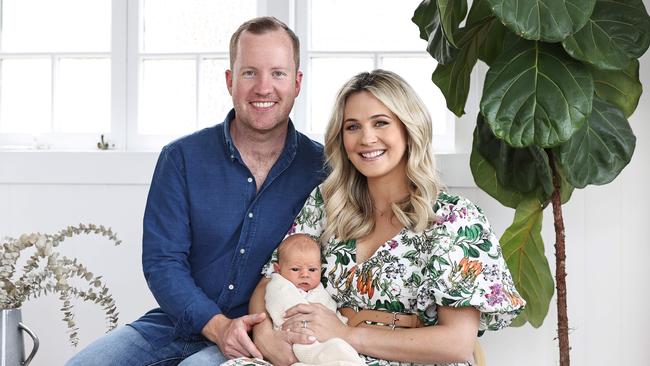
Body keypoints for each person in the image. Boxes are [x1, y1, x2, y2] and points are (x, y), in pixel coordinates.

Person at [66, 16, 324, 365]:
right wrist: (216, 326)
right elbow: (163, 261)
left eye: (277, 73)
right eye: (250, 73)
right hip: (175, 323)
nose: (264, 87)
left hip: (262, 333)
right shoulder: (182, 158)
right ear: (230, 80)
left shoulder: (322, 169)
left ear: (297, 82)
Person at [245, 69, 525, 366]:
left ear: (408, 129)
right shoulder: (326, 203)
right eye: (352, 127)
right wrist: (265, 336)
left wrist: (347, 334)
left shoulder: (455, 219)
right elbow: (271, 279)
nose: (366, 138)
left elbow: (456, 343)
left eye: (381, 123)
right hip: (322, 355)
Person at [264, 234, 365, 366]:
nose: (305, 274)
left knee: (338, 346)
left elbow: (331, 312)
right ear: (278, 269)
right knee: (327, 351)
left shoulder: (319, 290)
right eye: (295, 269)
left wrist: (340, 324)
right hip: (296, 338)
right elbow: (282, 310)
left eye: (312, 269)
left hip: (326, 338)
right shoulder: (278, 286)